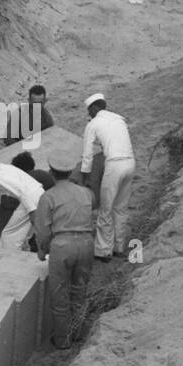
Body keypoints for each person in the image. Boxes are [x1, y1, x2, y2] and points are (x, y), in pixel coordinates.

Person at [32, 151, 95, 350]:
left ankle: (62, 340)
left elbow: (42, 229)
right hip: (86, 243)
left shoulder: (48, 197)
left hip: (62, 246)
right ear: (70, 172)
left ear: (51, 172)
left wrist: (42, 249)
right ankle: (78, 333)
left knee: (60, 297)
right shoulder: (85, 192)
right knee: (79, 291)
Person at [77, 92, 135, 262]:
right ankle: (118, 247)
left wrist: (85, 176)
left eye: (89, 110)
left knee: (106, 209)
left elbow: (87, 154)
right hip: (130, 163)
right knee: (121, 208)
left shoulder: (93, 124)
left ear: (94, 108)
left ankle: (103, 251)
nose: (89, 114)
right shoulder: (119, 119)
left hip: (114, 165)